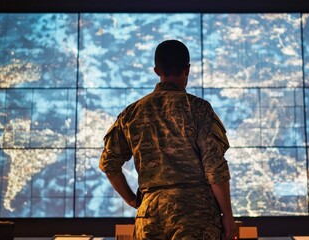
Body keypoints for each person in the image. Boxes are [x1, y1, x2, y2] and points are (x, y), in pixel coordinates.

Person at [99, 39, 235, 240]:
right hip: (195, 217)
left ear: (156, 70)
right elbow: (214, 167)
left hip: (149, 218)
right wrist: (228, 217)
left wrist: (132, 200)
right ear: (187, 69)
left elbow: (109, 164)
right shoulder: (199, 109)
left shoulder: (131, 114)